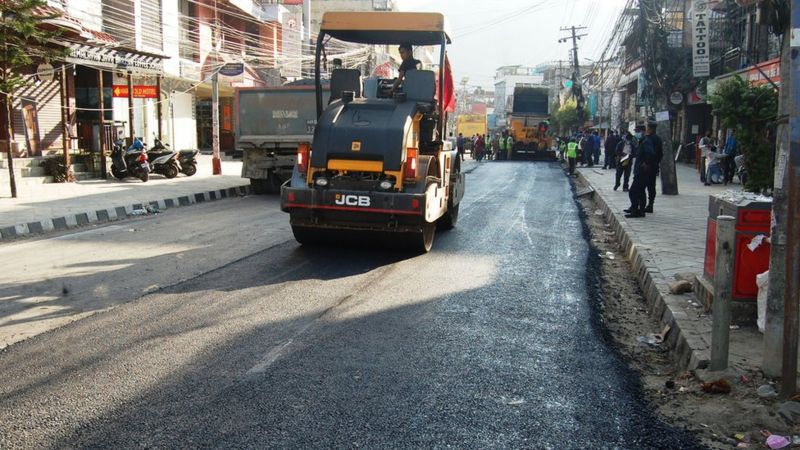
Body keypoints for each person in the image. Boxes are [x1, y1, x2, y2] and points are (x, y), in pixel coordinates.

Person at [624, 124, 654, 218]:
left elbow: (651, 153)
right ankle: (640, 211)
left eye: (638, 131)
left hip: (642, 171)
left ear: (643, 131)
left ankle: (635, 210)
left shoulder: (646, 141)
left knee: (633, 191)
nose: (637, 133)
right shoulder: (641, 141)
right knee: (641, 192)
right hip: (639, 170)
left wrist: (646, 163)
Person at [644, 121, 664, 213]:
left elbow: (647, 153)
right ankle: (650, 204)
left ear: (650, 129)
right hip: (654, 166)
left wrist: (646, 162)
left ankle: (642, 205)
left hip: (645, 166)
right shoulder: (658, 139)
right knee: (652, 186)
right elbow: (660, 154)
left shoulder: (647, 139)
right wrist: (656, 163)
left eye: (647, 127)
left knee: (641, 186)